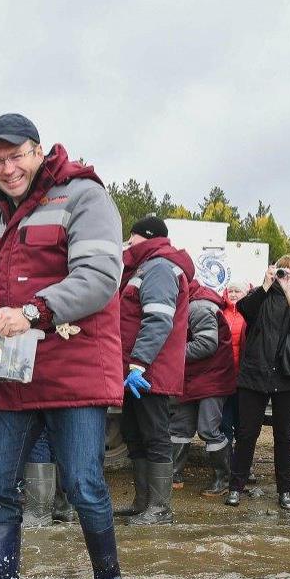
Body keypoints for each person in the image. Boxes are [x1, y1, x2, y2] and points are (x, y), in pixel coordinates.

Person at [0, 113, 124, 579]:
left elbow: (98, 278)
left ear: (37, 151)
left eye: (14, 157)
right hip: (13, 373)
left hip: (73, 368)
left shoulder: (85, 196)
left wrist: (32, 312)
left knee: (83, 485)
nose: (6, 169)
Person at [113, 216, 193, 526]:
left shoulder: (158, 267)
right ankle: (143, 503)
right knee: (135, 434)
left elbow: (159, 320)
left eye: (131, 240)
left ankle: (160, 509)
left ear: (145, 238)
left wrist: (138, 364)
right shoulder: (145, 267)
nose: (127, 246)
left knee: (155, 435)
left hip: (149, 373)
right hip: (137, 372)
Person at [225, 255, 290, 510]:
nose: (285, 276)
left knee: (284, 435)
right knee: (246, 434)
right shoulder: (262, 297)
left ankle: (285, 491)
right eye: (281, 271)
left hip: (288, 377)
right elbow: (244, 310)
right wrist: (265, 284)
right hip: (255, 373)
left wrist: (289, 291)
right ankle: (235, 487)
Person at [170, 279, 237, 496]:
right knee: (180, 427)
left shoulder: (198, 306)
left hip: (212, 378)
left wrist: (170, 353)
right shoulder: (189, 302)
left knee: (208, 429)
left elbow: (207, 344)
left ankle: (224, 479)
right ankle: (173, 475)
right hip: (192, 377)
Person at [219, 281, 248, 473]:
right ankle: (227, 464)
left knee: (243, 425)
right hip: (223, 378)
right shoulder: (221, 312)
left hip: (244, 378)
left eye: (238, 291)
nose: (234, 294)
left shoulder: (250, 312)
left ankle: (243, 464)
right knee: (224, 423)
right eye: (231, 291)